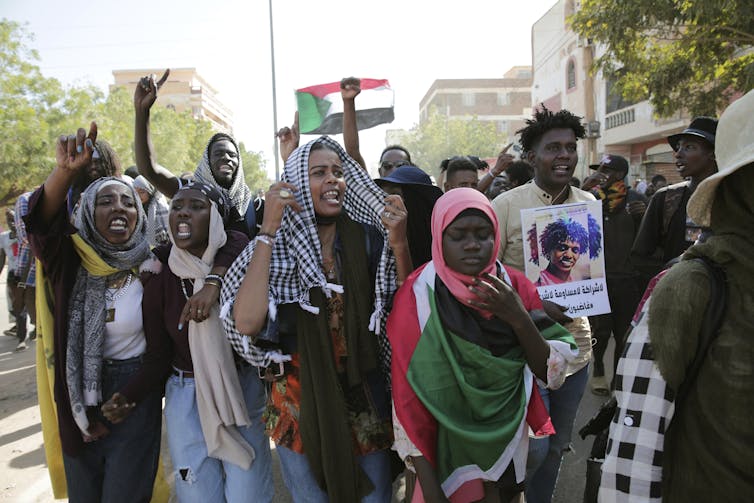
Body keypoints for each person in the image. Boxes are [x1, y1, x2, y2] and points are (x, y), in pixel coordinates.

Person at [221, 136, 412, 503]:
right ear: (295, 182)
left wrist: (400, 245)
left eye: (339, 173)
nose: (332, 181)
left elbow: (404, 311)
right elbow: (245, 323)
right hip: (298, 405)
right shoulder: (273, 246)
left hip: (365, 399)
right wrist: (268, 230)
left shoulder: (368, 240)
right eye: (319, 173)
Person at [602, 88, 754, 502]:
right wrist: (674, 276)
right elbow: (634, 460)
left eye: (692, 146)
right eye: (680, 146)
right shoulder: (690, 288)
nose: (682, 153)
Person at [388, 188, 577, 503]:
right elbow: (407, 396)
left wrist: (517, 315)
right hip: (442, 448)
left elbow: (552, 374)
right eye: (458, 235)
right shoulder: (418, 297)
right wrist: (429, 485)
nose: (473, 244)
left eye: (483, 234)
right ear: (439, 238)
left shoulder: (514, 286)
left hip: (507, 445)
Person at [25, 124, 165, 502]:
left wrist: (128, 397)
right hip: (76, 399)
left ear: (139, 214)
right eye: (105, 202)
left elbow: (160, 353)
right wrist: (64, 172)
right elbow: (39, 226)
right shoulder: (68, 260)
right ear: (86, 210)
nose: (118, 208)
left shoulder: (152, 269)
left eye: (126, 202)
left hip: (135, 397)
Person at [141, 180, 273, 502]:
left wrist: (213, 282)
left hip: (240, 388)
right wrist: (132, 397)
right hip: (185, 394)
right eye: (177, 207)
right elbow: (158, 353)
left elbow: (240, 238)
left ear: (216, 218)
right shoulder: (160, 271)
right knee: (197, 492)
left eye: (197, 207)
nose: (184, 214)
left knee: (248, 493)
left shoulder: (241, 258)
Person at [492, 105, 595, 503]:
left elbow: (591, 272)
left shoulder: (587, 203)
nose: (565, 155)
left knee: (556, 447)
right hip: (525, 353)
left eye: (570, 147)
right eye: (554, 148)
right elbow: (486, 279)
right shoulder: (506, 207)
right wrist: (535, 306)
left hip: (577, 350)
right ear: (532, 157)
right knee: (532, 448)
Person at [134, 70, 262, 239]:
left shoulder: (256, 208)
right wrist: (142, 112)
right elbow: (149, 170)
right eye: (218, 153)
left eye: (232, 155)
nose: (226, 158)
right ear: (207, 162)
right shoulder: (190, 192)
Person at [580, 154, 645, 395]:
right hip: (598, 279)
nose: (600, 175)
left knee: (623, 333)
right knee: (601, 331)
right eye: (598, 170)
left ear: (618, 174)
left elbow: (649, 240)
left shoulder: (638, 201)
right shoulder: (592, 199)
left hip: (627, 280)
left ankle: (618, 378)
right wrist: (580, 190)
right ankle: (598, 368)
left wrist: (643, 216)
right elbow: (567, 219)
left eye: (605, 170)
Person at [631, 117, 718, 288]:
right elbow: (639, 257)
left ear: (713, 154)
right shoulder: (664, 199)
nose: (678, 154)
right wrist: (672, 273)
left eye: (689, 147)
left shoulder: (736, 200)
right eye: (678, 147)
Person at [375, 165, 443, 268]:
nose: (386, 201)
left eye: (395, 194)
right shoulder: (376, 239)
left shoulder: (443, 245)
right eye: (383, 194)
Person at [533, 218, 593, 286]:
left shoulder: (576, 282)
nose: (569, 255)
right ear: (548, 250)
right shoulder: (541, 285)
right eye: (562, 248)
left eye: (575, 250)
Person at [13, 191, 39, 347]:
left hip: (54, 270)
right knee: (29, 308)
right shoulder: (26, 199)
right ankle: (21, 338)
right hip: (30, 271)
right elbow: (25, 237)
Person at [132, 175, 170, 247]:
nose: (137, 196)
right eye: (135, 192)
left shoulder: (159, 206)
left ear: (150, 191)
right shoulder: (136, 206)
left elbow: (168, 236)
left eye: (142, 192)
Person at [0, 210, 20, 342]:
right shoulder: (4, 237)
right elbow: (2, 257)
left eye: (13, 219)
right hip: (12, 274)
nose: (11, 223)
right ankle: (17, 326)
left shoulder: (25, 234)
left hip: (26, 274)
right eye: (9, 220)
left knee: (28, 303)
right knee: (11, 302)